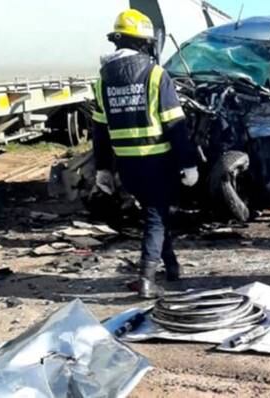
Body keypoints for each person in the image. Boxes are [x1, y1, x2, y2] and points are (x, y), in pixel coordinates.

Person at [92, 9, 198, 298]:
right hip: (157, 161)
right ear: (144, 42)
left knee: (156, 214)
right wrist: (188, 163)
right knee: (156, 218)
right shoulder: (155, 74)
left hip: (127, 166)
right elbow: (175, 123)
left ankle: (172, 266)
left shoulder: (103, 80)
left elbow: (99, 130)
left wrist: (102, 169)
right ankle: (147, 278)